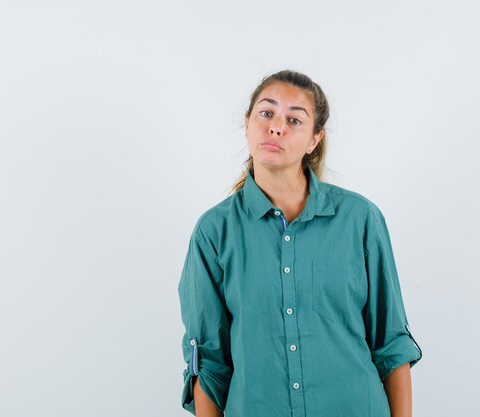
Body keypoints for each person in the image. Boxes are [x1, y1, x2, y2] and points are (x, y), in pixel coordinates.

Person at [177, 69, 422, 417]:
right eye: (266, 113)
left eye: (294, 120)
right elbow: (208, 361)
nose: (276, 126)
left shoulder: (360, 219)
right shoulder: (214, 232)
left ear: (313, 140)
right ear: (247, 122)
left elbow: (391, 342)